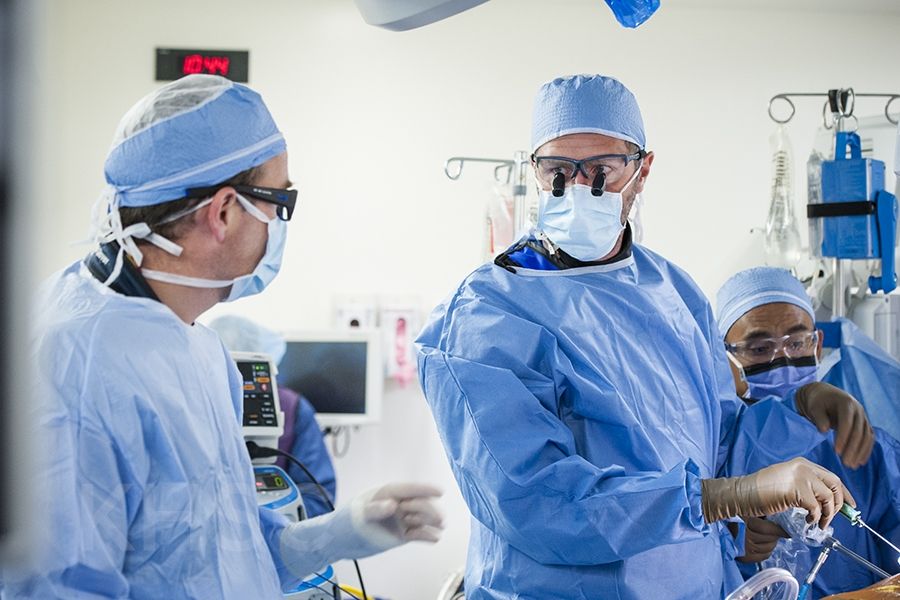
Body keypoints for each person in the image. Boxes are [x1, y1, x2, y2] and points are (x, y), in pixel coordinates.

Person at [416, 74, 871, 599]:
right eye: (558, 170)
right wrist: (727, 498)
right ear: (535, 171)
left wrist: (800, 410)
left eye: (602, 171)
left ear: (642, 170)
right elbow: (536, 502)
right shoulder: (486, 315)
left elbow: (715, 438)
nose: (579, 188)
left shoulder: (673, 293)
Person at [2, 74, 443, 599]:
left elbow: (221, 551)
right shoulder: (74, 369)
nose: (281, 223)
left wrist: (335, 534)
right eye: (280, 202)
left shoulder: (195, 348)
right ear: (225, 212)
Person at [716, 266, 900, 596]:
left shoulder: (861, 447)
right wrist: (729, 542)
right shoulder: (714, 452)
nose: (783, 359)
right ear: (723, 358)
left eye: (797, 342)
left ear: (817, 346)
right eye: (760, 349)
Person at [210, 314, 338, 518]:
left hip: (275, 542)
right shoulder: (188, 404)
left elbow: (319, 496)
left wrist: (268, 518)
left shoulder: (293, 408)